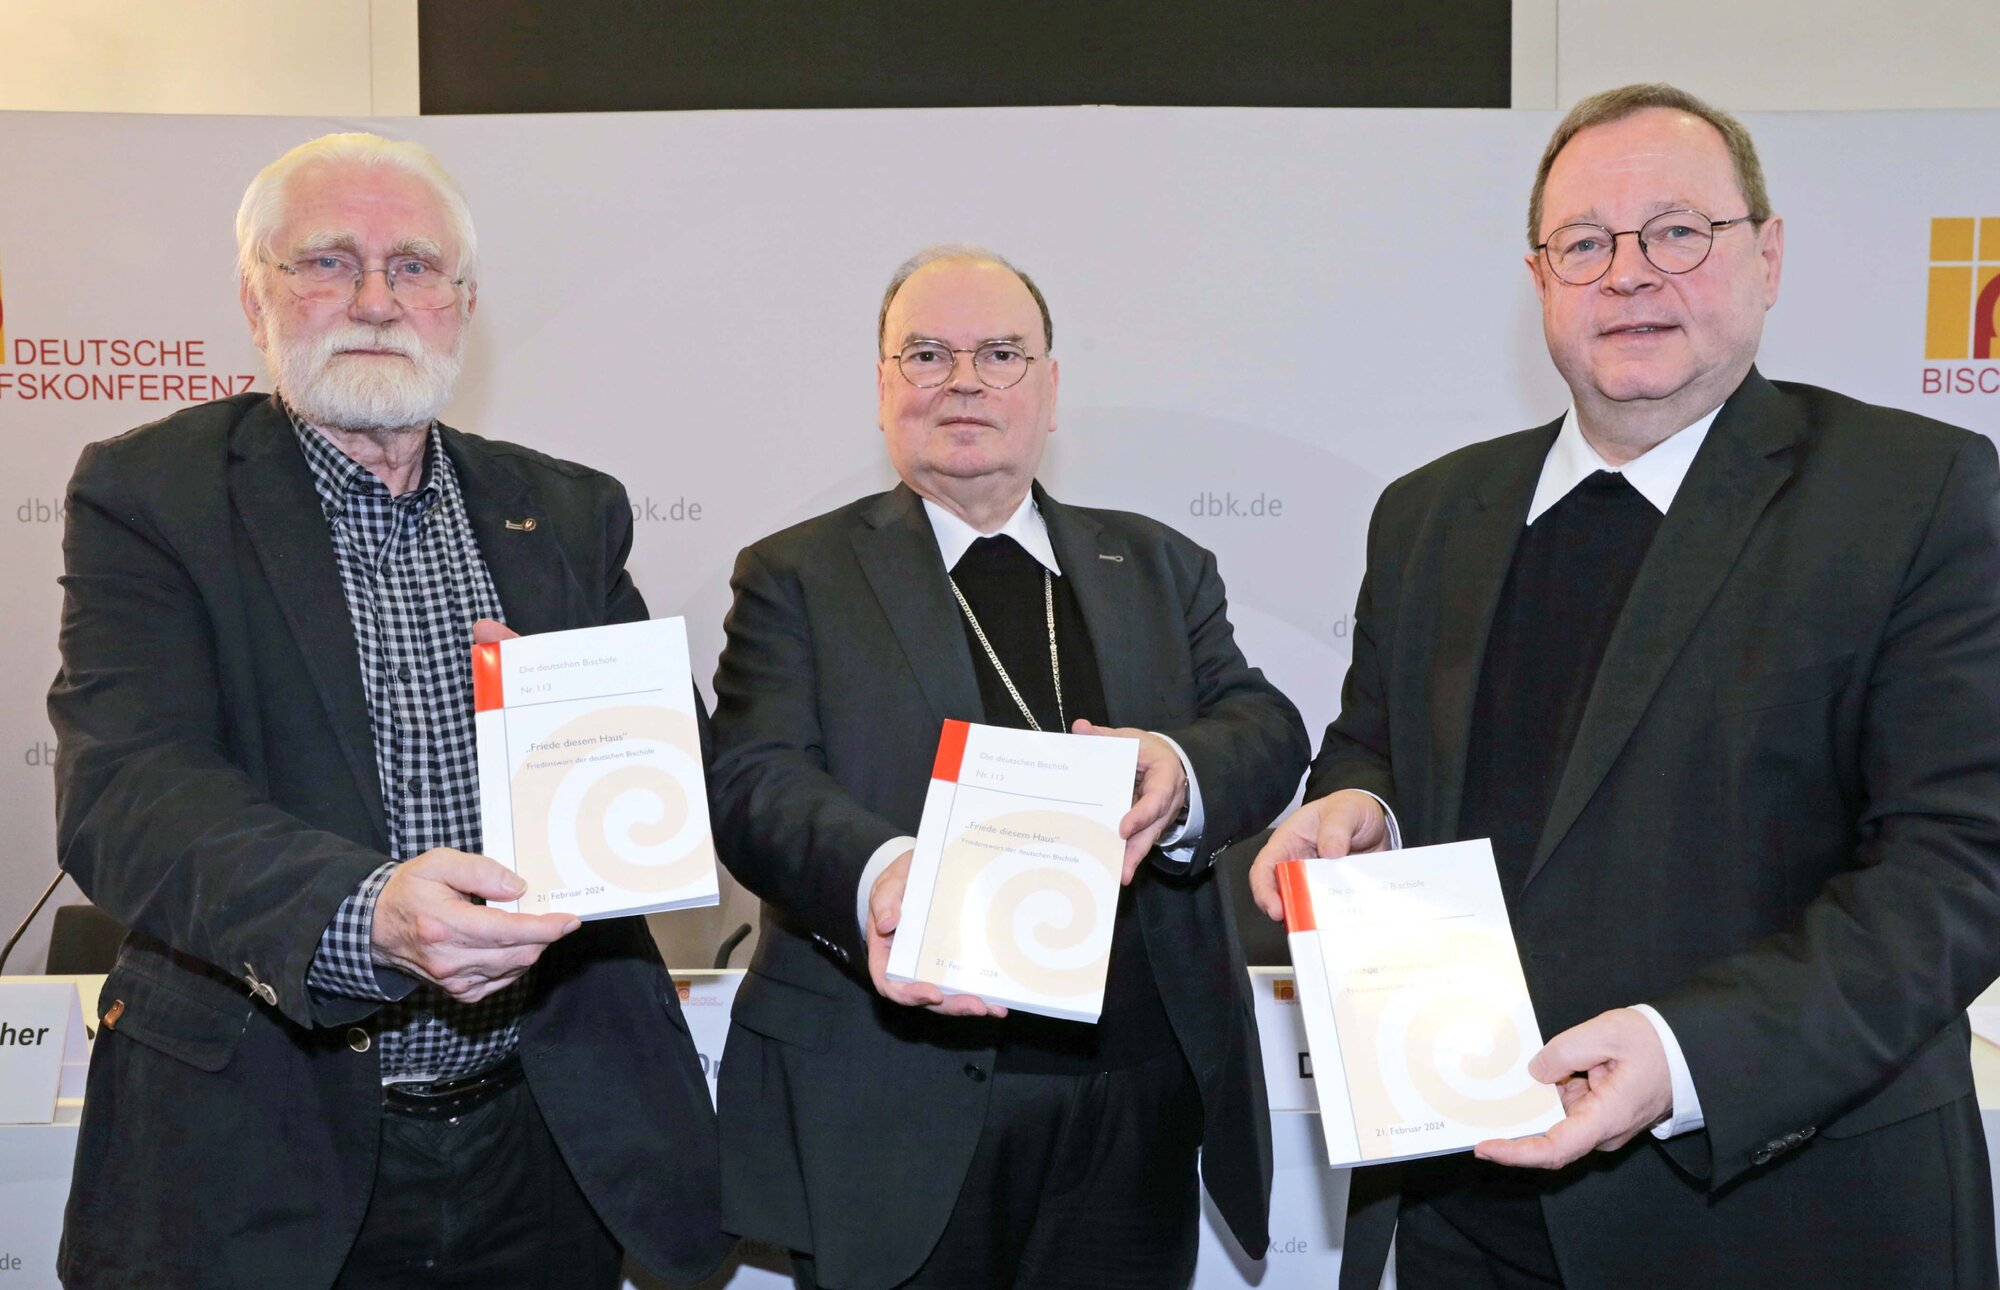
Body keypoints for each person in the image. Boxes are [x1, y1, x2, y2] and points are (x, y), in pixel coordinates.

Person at [1250, 83, 2000, 1290]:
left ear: (1765, 256)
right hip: (1460, 1211)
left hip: (1777, 1214)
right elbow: (1374, 746)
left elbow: (1962, 863)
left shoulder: (1911, 493)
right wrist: (1359, 812)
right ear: (1538, 277)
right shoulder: (1429, 513)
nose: (1629, 273)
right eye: (1584, 243)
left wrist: (1684, 1054)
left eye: (1677, 231)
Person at [49, 133, 726, 1288]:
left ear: (463, 304)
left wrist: (581, 729)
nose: (373, 298)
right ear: (256, 297)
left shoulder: (562, 510)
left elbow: (676, 770)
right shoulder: (149, 495)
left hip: (544, 1134)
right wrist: (365, 914)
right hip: (261, 1146)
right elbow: (130, 790)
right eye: (325, 262)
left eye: (413, 266)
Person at [708, 245, 1308, 1288]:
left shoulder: (1159, 563)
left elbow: (1263, 726)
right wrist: (883, 874)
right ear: (883, 385)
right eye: (927, 354)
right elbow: (755, 780)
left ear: (1051, 388)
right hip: (896, 1090)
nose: (964, 382)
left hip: (1134, 1095)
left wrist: (1175, 765)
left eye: (999, 354)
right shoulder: (794, 574)